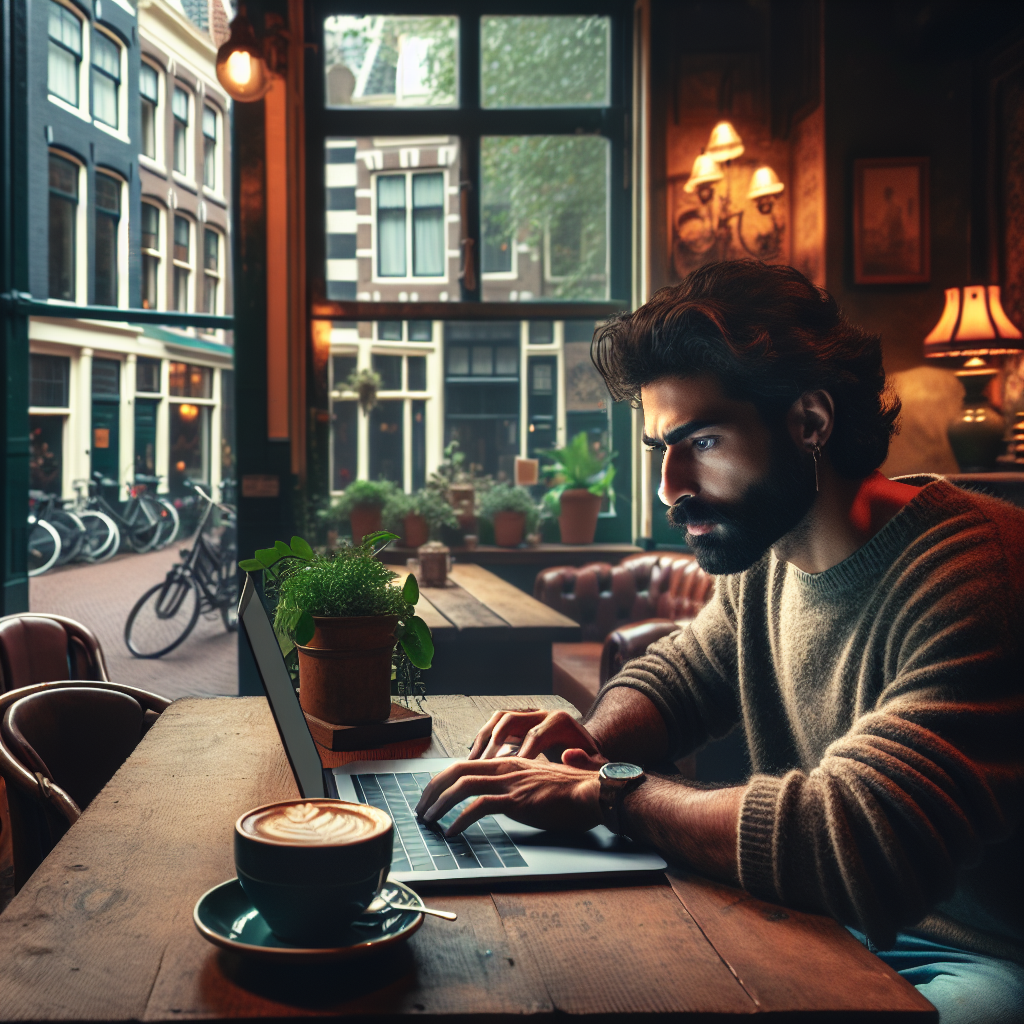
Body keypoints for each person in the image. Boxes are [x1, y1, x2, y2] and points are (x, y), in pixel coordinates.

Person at [416, 261, 1024, 1024]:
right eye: (659, 448)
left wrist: (607, 792)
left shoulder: (979, 574)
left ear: (810, 422)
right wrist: (590, 740)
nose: (670, 485)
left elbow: (856, 837)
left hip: (980, 959)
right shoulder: (772, 551)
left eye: (700, 440)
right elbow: (682, 673)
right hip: (822, 922)